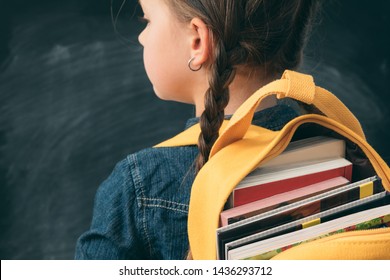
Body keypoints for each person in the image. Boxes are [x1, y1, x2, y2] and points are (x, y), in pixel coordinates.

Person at [75, 0, 320, 259]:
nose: (142, 37)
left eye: (147, 21)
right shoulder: (340, 146)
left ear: (198, 41)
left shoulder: (139, 188)